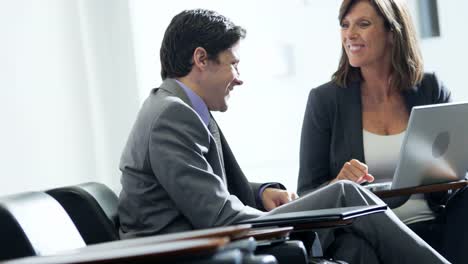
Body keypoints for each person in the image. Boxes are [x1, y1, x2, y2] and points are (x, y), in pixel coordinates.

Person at [117, 8, 449, 263]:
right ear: (201, 59)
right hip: (191, 252)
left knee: (355, 244)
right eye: (234, 64)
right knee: (345, 193)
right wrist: (290, 216)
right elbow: (217, 215)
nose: (239, 78)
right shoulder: (173, 116)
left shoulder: (181, 108)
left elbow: (204, 188)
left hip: (208, 238)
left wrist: (261, 192)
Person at [298, 0, 468, 263]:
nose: (349, 34)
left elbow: (457, 166)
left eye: (362, 24)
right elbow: (307, 194)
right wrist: (339, 184)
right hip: (365, 229)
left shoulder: (430, 88)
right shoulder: (325, 100)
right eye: (345, 25)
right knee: (353, 248)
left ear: (392, 32)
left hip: (433, 222)